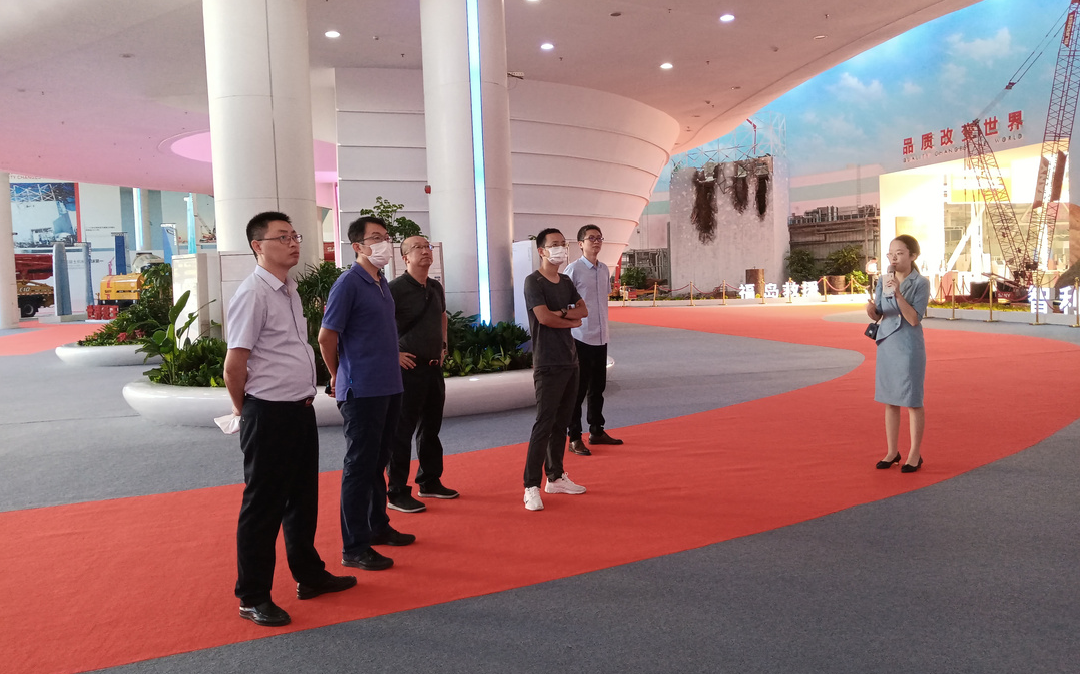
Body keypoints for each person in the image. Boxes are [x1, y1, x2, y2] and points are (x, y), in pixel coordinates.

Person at [224, 211, 356, 627]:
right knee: (263, 506)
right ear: (257, 246)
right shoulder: (253, 294)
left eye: (295, 235)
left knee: (302, 499)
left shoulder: (289, 290)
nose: (294, 243)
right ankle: (253, 596)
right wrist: (247, 411)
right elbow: (234, 365)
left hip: (299, 410)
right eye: (282, 237)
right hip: (268, 413)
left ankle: (309, 575)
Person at [319, 216, 415, 572]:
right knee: (359, 467)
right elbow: (327, 337)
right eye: (375, 238)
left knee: (378, 461)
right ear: (357, 246)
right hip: (361, 389)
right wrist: (337, 375)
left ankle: (377, 526)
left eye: (386, 237)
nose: (384, 243)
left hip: (389, 385)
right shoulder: (348, 283)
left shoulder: (380, 281)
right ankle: (354, 546)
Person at [385, 236, 458, 513]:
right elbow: (378, 324)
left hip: (432, 367)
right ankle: (396, 491)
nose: (425, 251)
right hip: (408, 369)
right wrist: (393, 354)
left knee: (431, 427)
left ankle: (429, 481)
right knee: (401, 431)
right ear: (404, 257)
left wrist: (443, 345)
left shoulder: (435, 286)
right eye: (418, 248)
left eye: (427, 247)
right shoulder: (394, 289)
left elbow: (442, 315)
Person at [522, 228, 589, 511]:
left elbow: (583, 311)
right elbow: (543, 318)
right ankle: (530, 486)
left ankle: (556, 476)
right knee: (544, 423)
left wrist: (562, 314)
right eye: (554, 244)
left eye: (563, 244)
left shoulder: (565, 281)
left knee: (562, 422)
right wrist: (568, 318)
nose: (561, 248)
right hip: (548, 361)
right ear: (541, 251)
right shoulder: (533, 281)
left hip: (570, 360)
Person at [865, 234, 930, 473]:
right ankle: (892, 451)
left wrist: (898, 294)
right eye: (891, 254)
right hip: (887, 343)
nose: (894, 258)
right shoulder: (884, 280)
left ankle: (914, 454)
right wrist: (871, 310)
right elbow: (881, 313)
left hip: (909, 345)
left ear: (913, 256)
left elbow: (914, 318)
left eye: (899, 253)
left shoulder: (921, 283)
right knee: (890, 400)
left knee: (912, 400)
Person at [563, 224, 622, 456]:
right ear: (580, 244)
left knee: (598, 388)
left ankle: (597, 430)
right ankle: (575, 437)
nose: (596, 242)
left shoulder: (604, 269)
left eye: (599, 238)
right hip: (581, 337)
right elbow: (565, 303)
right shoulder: (573, 270)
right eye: (591, 238)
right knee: (578, 391)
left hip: (601, 336)